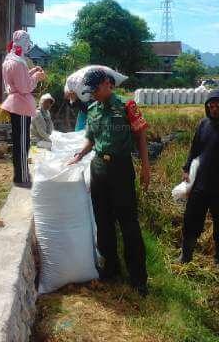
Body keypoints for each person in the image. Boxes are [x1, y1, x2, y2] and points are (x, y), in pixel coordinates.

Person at [68, 69, 150, 296]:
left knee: (128, 223)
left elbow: (141, 136)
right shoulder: (93, 109)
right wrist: (79, 155)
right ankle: (111, 268)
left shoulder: (127, 106)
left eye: (94, 90)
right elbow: (91, 139)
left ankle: (138, 278)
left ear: (106, 84)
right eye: (89, 91)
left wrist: (145, 168)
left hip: (121, 169)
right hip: (98, 169)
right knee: (103, 221)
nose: (91, 94)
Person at [178, 89, 219, 264]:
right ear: (207, 107)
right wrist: (186, 169)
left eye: (218, 106)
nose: (214, 109)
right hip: (200, 183)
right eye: (211, 106)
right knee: (191, 218)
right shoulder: (203, 125)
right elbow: (194, 149)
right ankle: (186, 256)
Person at [0, 30, 46, 187]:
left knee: (21, 141)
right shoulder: (18, 62)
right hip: (20, 104)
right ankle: (21, 177)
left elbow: (19, 80)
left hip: (15, 103)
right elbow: (25, 87)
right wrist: (37, 77)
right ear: (23, 43)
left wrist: (31, 72)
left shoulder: (9, 59)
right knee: (22, 143)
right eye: (28, 42)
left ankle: (21, 174)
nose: (29, 45)